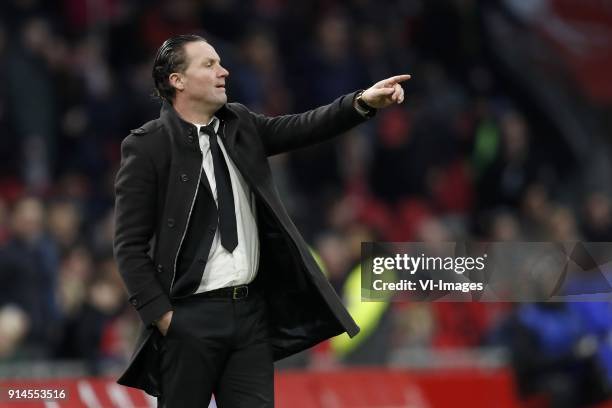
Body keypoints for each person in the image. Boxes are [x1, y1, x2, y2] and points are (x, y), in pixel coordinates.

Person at [113, 34, 410, 407]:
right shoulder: (147, 146)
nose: (224, 71)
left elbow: (304, 126)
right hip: (189, 319)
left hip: (250, 317)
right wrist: (165, 319)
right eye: (209, 64)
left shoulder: (240, 124)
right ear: (178, 80)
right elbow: (128, 246)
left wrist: (362, 103)